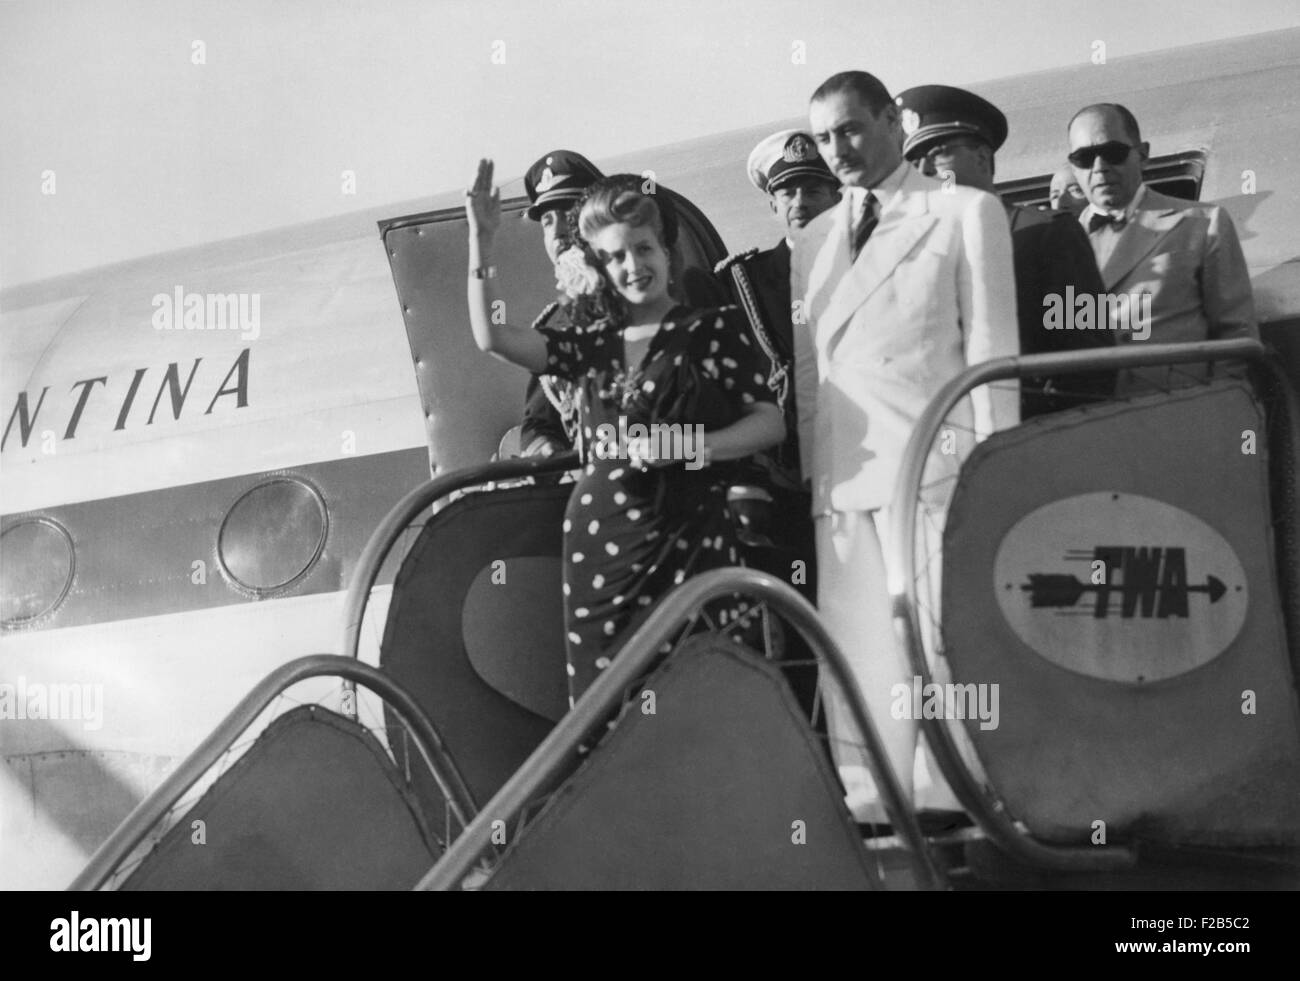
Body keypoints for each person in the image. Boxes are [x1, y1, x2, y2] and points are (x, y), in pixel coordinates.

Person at [465, 161, 786, 706]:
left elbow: (769, 422)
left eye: (642, 249)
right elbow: (493, 337)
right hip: (602, 552)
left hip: (693, 541)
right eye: (614, 257)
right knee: (609, 714)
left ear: (664, 249)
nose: (632, 266)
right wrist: (481, 240)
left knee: (715, 698)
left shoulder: (714, 329)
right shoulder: (589, 343)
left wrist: (693, 446)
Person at [793, 71, 1019, 822]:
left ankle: (957, 808)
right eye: (824, 138)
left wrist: (1000, 472)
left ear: (894, 121)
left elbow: (993, 357)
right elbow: (810, 379)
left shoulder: (963, 211)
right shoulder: (815, 240)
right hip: (844, 479)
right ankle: (873, 811)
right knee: (855, 654)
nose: (838, 151)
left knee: (941, 649)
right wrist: (811, 480)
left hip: (936, 470)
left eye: (852, 129)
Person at [897, 84, 1113, 417]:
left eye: (938, 153)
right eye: (913, 160)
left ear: (982, 157)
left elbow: (1091, 360)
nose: (923, 170)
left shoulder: (1048, 235)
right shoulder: (925, 253)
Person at [714, 129, 841, 588]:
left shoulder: (870, 266)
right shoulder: (740, 284)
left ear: (837, 196)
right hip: (782, 486)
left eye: (814, 188)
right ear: (772, 203)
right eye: (787, 190)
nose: (800, 201)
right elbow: (727, 394)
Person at [1066, 103, 1257, 394]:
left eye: (1113, 153)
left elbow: (1236, 335)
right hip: (1093, 421)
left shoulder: (1203, 223)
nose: (1099, 167)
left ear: (1142, 155)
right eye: (1084, 158)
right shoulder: (1060, 245)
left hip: (1176, 414)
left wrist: (1217, 408)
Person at [517, 150, 605, 458]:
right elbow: (537, 424)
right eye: (547, 222)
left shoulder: (657, 303)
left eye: (569, 215)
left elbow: (707, 431)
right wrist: (544, 448)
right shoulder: (557, 327)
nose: (557, 233)